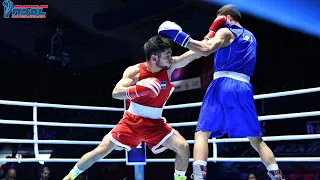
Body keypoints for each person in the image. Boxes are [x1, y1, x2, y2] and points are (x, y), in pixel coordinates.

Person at [158, 4, 285, 180]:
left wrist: (178, 36)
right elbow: (203, 47)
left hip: (223, 84)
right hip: (244, 87)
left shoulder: (225, 31)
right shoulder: (251, 37)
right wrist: (204, 39)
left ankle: (198, 176)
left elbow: (205, 49)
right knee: (256, 140)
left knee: (202, 132)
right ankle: (277, 175)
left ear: (227, 18)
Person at [63, 35, 203, 180]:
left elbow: (195, 54)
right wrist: (139, 89)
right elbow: (116, 93)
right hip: (131, 122)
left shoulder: (169, 67)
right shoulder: (134, 71)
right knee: (101, 151)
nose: (171, 58)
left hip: (156, 123)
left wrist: (212, 39)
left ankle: (179, 178)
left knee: (183, 147)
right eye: (167, 55)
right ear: (154, 58)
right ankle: (70, 176)